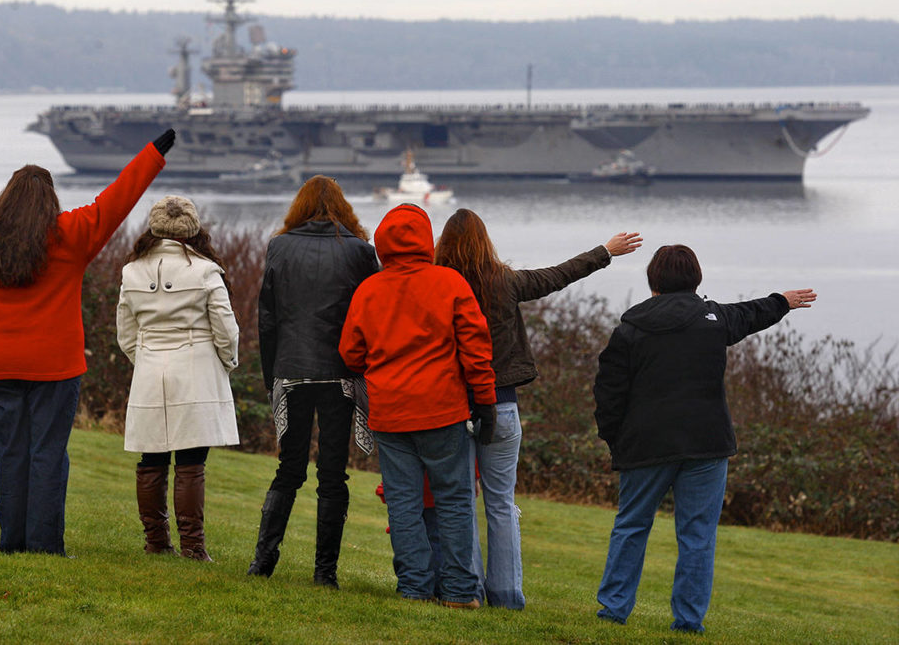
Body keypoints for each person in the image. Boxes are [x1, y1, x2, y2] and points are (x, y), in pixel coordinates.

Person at [0, 129, 173, 555]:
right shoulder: (72, 233)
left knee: (11, 456)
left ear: (8, 200)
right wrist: (153, 153)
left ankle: (13, 544)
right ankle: (45, 546)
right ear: (50, 202)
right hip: (56, 368)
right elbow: (117, 199)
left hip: (2, 365)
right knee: (48, 456)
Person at [592, 244, 816, 633]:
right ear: (696, 278)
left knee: (631, 526)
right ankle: (688, 621)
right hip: (707, 444)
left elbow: (608, 394)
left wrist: (616, 440)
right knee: (697, 536)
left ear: (653, 281)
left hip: (645, 445)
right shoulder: (714, 320)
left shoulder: (629, 330)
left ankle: (613, 611)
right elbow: (751, 313)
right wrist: (782, 301)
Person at [434, 207, 642, 609]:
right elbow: (559, 275)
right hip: (503, 405)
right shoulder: (506, 282)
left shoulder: (436, 285)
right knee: (500, 504)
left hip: (451, 409)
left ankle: (467, 590)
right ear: (484, 242)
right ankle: (507, 595)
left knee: (459, 502)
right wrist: (605, 251)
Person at [339, 203, 497, 609]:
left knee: (404, 503)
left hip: (391, 413)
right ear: (426, 239)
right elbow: (476, 350)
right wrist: (486, 402)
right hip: (443, 410)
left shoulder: (369, 289)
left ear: (382, 244)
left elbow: (350, 353)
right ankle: (461, 592)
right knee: (455, 500)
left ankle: (414, 587)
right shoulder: (450, 283)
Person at [248, 175, 379, 588]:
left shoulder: (279, 246)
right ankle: (325, 574)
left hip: (291, 368)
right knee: (332, 473)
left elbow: (266, 317)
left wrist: (273, 375)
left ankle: (262, 562)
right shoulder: (360, 252)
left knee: (289, 469)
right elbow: (370, 316)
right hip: (340, 372)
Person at [117, 195, 240, 561]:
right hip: (196, 369)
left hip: (150, 369)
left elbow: (125, 333)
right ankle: (193, 547)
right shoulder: (205, 271)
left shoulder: (131, 271)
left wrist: (147, 360)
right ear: (193, 228)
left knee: (151, 457)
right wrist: (226, 363)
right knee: (191, 460)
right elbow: (226, 329)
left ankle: (156, 542)